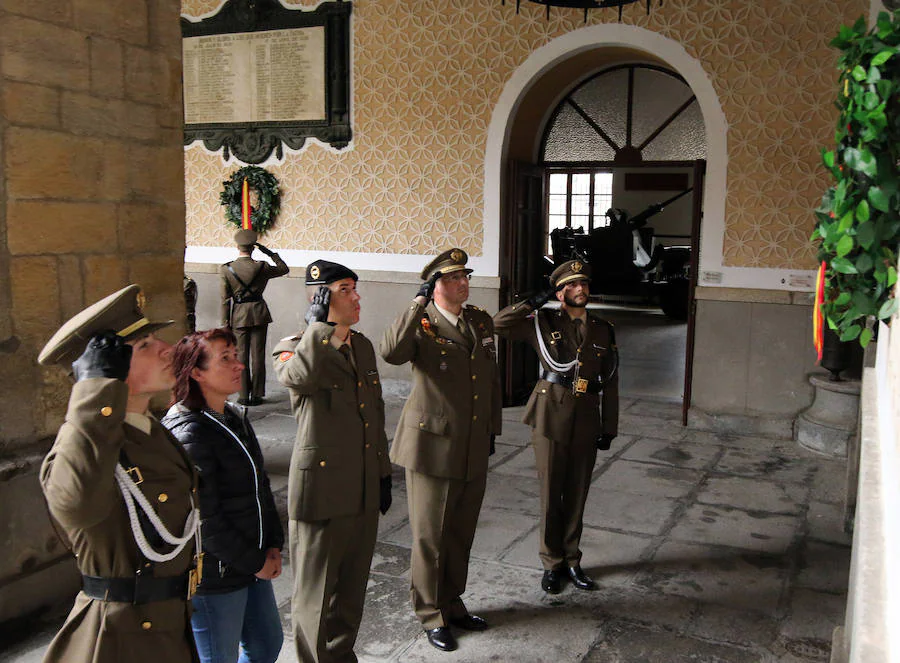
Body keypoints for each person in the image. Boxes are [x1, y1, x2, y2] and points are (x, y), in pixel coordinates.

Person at [37, 284, 200, 663]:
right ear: (104, 370)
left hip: (167, 623)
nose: (167, 349)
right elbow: (76, 506)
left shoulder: (146, 427)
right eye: (145, 345)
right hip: (120, 637)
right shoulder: (82, 446)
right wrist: (95, 395)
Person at [379, 248, 502, 653]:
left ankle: (453, 602)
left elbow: (488, 380)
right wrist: (417, 301)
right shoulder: (422, 323)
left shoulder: (479, 320)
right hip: (432, 446)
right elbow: (392, 351)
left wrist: (491, 430)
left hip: (471, 443)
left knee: (461, 532)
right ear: (434, 285)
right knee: (431, 537)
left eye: (464, 276)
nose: (462, 283)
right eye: (451, 278)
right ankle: (430, 613)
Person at [272, 259, 392, 663]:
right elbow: (299, 379)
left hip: (361, 487)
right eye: (345, 289)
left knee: (352, 588)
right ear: (318, 298)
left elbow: (373, 414)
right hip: (322, 492)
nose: (357, 297)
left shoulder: (361, 346)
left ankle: (342, 656)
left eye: (355, 288)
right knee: (315, 595)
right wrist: (319, 328)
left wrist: (382, 473)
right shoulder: (292, 346)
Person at [493, 259, 619, 594]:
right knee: (551, 492)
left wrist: (610, 425)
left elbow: (611, 379)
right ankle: (551, 562)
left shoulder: (603, 329)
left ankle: (573, 559)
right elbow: (499, 324)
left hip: (587, 415)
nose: (581, 290)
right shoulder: (542, 322)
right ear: (560, 292)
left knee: (578, 491)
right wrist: (533, 301)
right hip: (550, 414)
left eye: (585, 284)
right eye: (573, 285)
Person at [162, 328, 284, 663]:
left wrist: (273, 543)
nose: (239, 365)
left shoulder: (231, 416)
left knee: (266, 644)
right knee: (219, 657)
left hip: (252, 559)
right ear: (197, 372)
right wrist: (257, 561)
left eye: (236, 355)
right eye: (225, 358)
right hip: (216, 575)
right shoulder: (189, 433)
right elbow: (205, 519)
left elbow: (259, 488)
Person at [221, 229, 289, 406]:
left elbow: (225, 299)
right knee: (258, 355)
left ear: (237, 246)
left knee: (241, 355)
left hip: (239, 315)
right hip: (259, 312)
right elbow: (284, 269)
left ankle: (243, 395)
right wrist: (270, 254)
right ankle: (257, 394)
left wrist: (225, 323)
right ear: (253, 248)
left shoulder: (227, 269)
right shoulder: (262, 266)